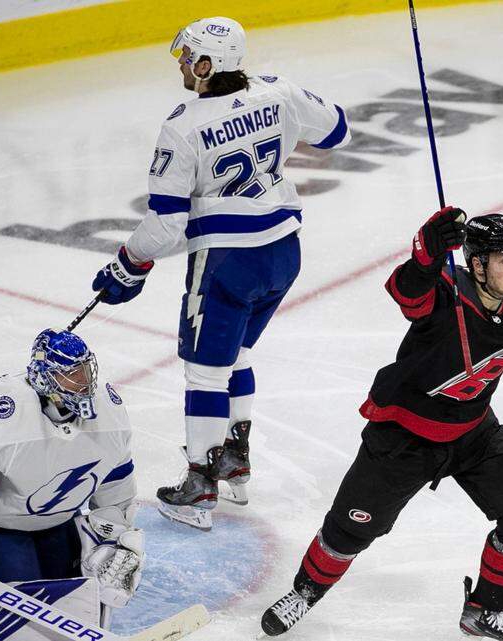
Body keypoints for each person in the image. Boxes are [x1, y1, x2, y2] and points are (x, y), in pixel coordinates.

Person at [260, 208, 503, 639]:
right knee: (350, 529)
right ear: (476, 264)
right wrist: (426, 253)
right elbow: (408, 293)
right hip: (404, 435)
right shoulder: (447, 291)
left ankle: (481, 612)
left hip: (474, 430)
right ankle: (304, 593)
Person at [90, 16, 351, 530]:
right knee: (240, 355)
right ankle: (234, 463)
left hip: (229, 263)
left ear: (209, 64)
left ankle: (199, 487)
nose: (183, 65)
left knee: (206, 370)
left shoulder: (183, 125)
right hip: (283, 253)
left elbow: (166, 227)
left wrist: (128, 263)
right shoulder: (278, 91)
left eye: (189, 57)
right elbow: (338, 130)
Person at [0, 329, 142, 615]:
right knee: (19, 609)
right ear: (44, 379)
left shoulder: (110, 413)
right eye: (70, 375)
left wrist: (113, 542)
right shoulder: (2, 417)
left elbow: (115, 488)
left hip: (61, 522)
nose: (83, 384)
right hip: (0, 529)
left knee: (77, 603)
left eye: (85, 372)